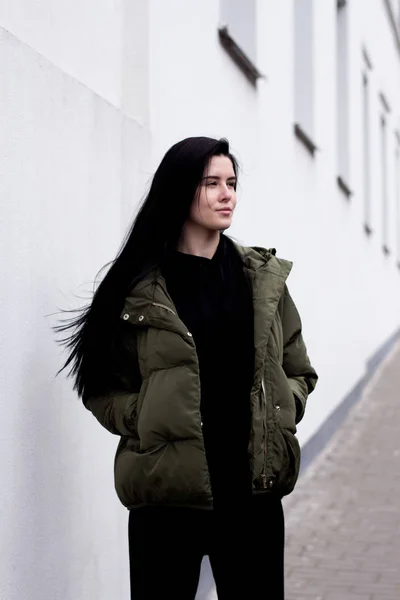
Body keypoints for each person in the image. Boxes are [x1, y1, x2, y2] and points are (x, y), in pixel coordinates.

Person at [58, 136, 318, 599]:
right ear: (180, 190)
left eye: (232, 183)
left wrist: (282, 412)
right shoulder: (138, 289)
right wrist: (145, 420)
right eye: (211, 183)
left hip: (253, 497)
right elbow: (100, 386)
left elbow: (298, 369)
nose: (227, 195)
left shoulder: (262, 280)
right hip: (167, 498)